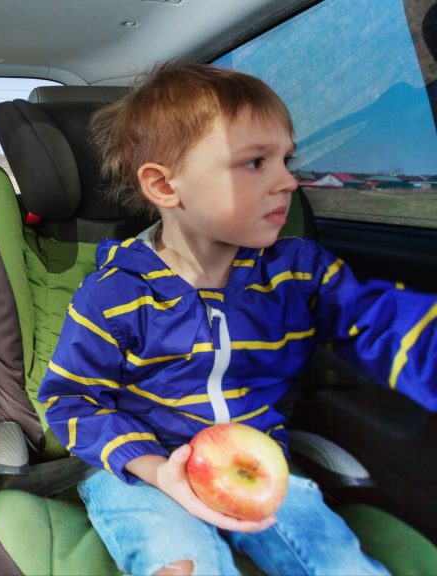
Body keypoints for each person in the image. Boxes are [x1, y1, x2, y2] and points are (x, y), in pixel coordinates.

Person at [38, 62, 437, 576]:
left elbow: (381, 323)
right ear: (164, 186)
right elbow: (71, 400)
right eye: (254, 162)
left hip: (257, 466)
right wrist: (155, 469)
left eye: (286, 160)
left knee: (340, 565)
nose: (289, 181)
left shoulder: (298, 275)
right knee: (181, 566)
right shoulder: (114, 295)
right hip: (142, 473)